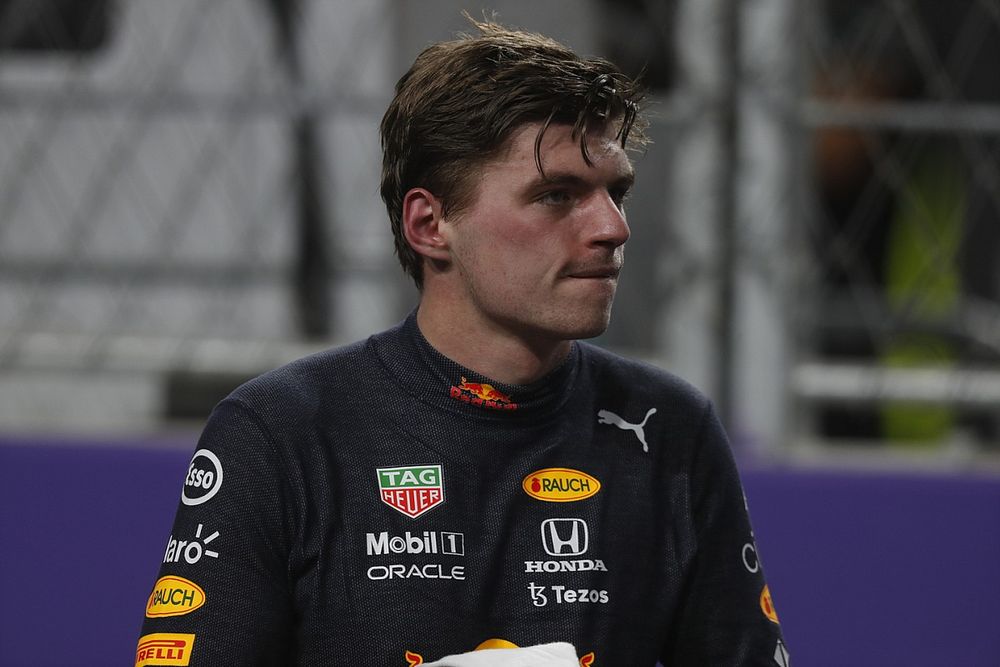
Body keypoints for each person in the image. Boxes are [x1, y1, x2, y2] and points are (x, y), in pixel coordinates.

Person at [136, 17, 787, 667]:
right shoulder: (281, 431)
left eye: (616, 192)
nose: (612, 228)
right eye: (557, 194)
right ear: (430, 224)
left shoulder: (667, 429)